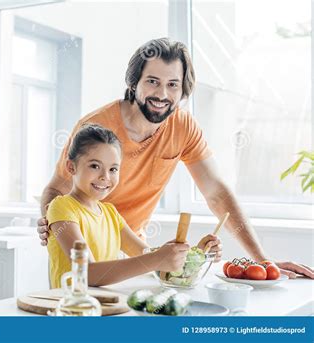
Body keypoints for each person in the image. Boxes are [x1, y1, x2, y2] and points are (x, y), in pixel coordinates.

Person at [38, 38, 314, 279]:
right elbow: (57, 189)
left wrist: (262, 261)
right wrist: (54, 222)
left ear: (183, 90)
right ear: (134, 83)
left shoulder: (182, 126)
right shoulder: (96, 129)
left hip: (136, 255)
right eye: (153, 82)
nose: (162, 94)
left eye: (173, 84)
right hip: (85, 256)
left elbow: (216, 192)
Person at [46, 124, 219, 287]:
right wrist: (157, 259)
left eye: (113, 169)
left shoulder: (110, 213)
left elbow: (149, 259)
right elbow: (87, 273)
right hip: (70, 311)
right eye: (94, 166)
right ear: (71, 167)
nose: (105, 176)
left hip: (105, 310)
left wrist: (197, 254)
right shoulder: (61, 208)